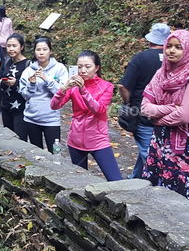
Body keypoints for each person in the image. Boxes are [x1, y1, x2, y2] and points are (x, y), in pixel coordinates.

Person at [138, 30, 189, 209]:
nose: (172, 51)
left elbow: (185, 115)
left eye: (178, 47)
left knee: (182, 200)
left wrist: (158, 119)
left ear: (188, 50)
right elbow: (145, 107)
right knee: (155, 195)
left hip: (185, 150)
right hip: (159, 145)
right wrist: (171, 108)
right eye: (169, 46)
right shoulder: (160, 75)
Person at [51, 51, 122, 181]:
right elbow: (54, 106)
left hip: (98, 140)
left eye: (87, 67)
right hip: (75, 140)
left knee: (115, 179)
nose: (82, 70)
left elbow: (98, 109)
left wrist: (83, 90)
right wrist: (63, 89)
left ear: (97, 67)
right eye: (79, 67)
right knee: (80, 181)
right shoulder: (72, 86)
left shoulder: (106, 86)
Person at [117, 23, 170, 178]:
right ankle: (135, 178)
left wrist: (128, 103)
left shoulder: (141, 58)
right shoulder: (174, 59)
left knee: (149, 154)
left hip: (142, 113)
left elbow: (123, 86)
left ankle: (158, 187)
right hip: (168, 113)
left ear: (150, 40)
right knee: (151, 148)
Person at [19, 37, 69, 153]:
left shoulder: (59, 68)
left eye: (45, 49)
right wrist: (32, 84)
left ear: (50, 51)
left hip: (51, 119)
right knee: (37, 153)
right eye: (38, 49)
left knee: (55, 153)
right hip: (31, 118)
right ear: (34, 52)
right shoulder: (28, 70)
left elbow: (62, 92)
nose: (41, 52)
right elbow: (25, 96)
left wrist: (47, 79)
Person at [0, 33, 30, 141]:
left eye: (14, 46)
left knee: (20, 140)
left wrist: (16, 83)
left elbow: (31, 87)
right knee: (9, 139)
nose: (11, 49)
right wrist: (3, 82)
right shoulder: (7, 61)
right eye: (8, 46)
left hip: (21, 108)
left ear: (21, 47)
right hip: (6, 106)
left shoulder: (28, 64)